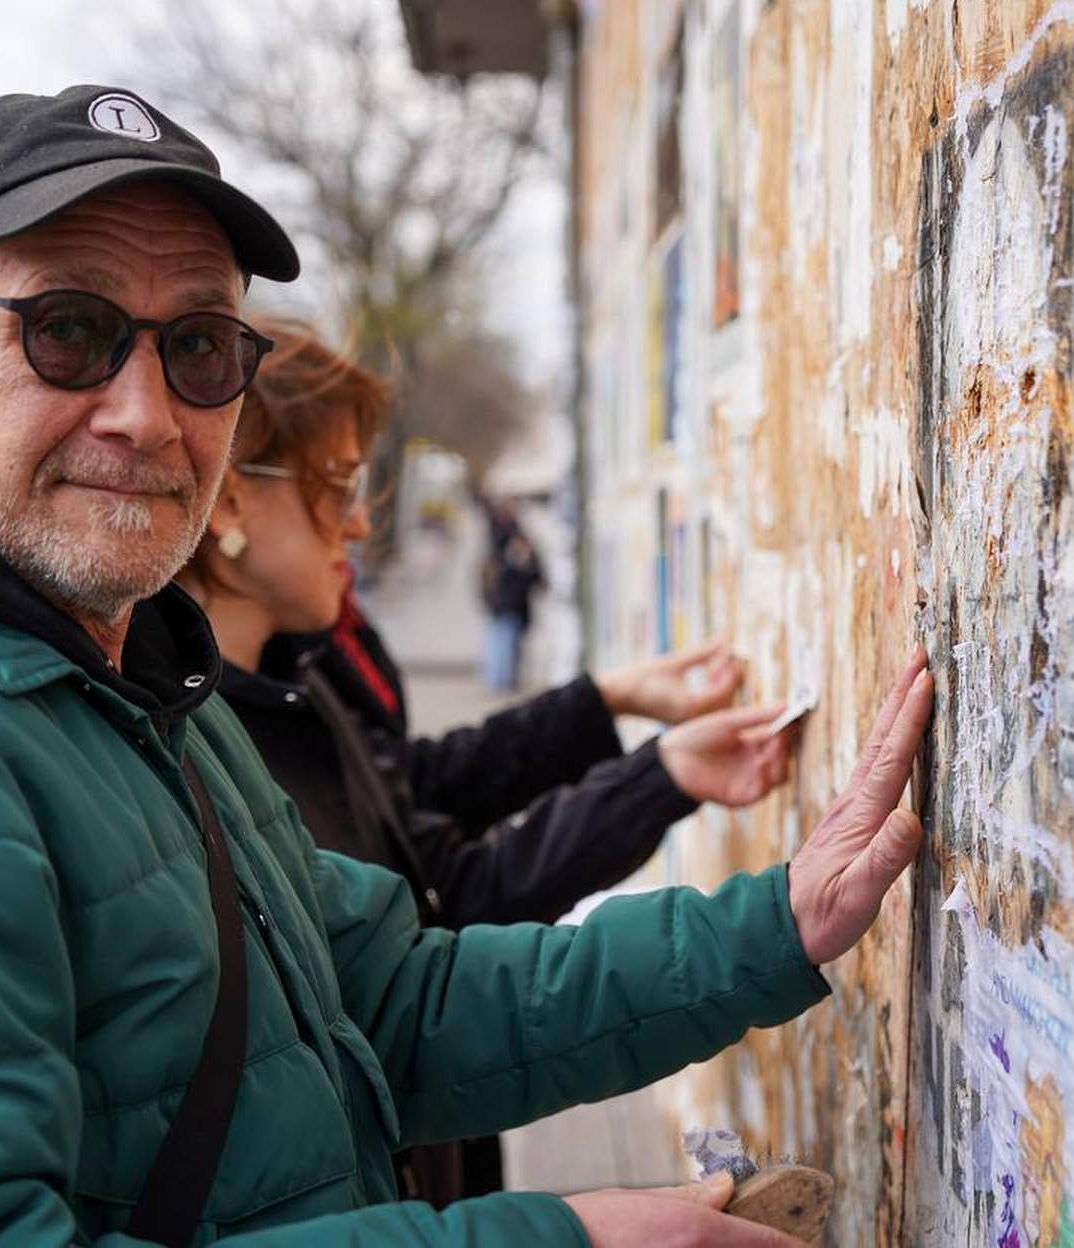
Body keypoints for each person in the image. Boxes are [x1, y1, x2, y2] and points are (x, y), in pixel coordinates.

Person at [0, 85, 934, 1247]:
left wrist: (774, 926)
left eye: (199, 347)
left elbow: (388, 1004)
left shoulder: (130, 679)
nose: (143, 411)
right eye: (68, 330)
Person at [177, 321, 797, 1204]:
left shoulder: (296, 687)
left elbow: (426, 844)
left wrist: (642, 753)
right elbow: (443, 918)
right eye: (337, 485)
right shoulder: (205, 748)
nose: (360, 521)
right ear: (232, 501)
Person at [478, 503, 543, 691]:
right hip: (507, 607)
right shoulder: (507, 558)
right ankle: (501, 680)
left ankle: (499, 679)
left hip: (506, 607)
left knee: (502, 643)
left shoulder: (502, 553)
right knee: (503, 644)